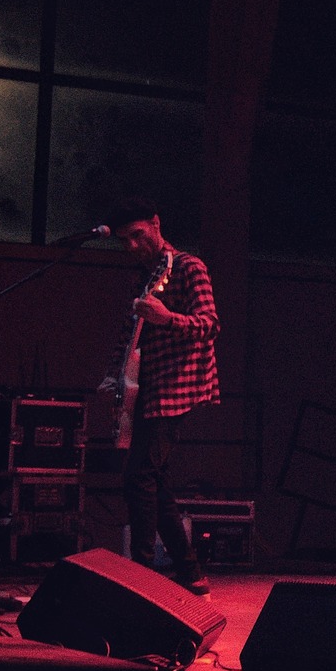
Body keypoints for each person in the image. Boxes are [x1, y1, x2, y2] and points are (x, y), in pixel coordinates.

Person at [102, 198, 217, 596]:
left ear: (156, 223)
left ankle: (141, 575)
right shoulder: (145, 276)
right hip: (145, 388)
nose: (132, 246)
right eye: (124, 241)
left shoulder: (188, 267)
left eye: (138, 235)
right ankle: (191, 573)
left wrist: (168, 319)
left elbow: (209, 324)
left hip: (175, 386)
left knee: (138, 478)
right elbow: (130, 334)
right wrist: (114, 375)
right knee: (156, 482)